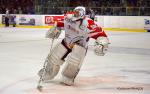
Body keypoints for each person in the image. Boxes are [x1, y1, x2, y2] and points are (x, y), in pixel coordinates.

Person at [38, 6, 109, 85]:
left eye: (78, 12)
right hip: (66, 42)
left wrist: (102, 42)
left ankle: (67, 78)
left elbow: (102, 35)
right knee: (53, 58)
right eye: (75, 12)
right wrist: (56, 28)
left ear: (82, 14)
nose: (75, 14)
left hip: (80, 46)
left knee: (73, 65)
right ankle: (48, 73)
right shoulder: (68, 18)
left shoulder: (88, 23)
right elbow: (59, 23)